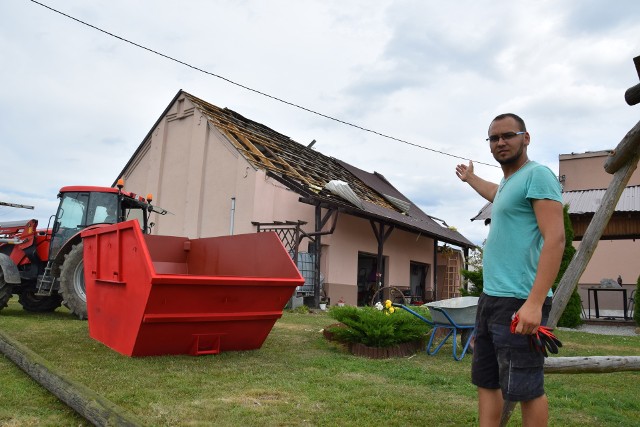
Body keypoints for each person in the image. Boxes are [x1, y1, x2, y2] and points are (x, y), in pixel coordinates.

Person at [455, 113, 565, 426]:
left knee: (527, 389)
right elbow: (496, 194)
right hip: (491, 299)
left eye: (508, 135)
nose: (500, 142)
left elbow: (555, 239)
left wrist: (533, 303)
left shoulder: (537, 175)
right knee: (487, 382)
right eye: (494, 138)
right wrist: (471, 179)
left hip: (520, 301)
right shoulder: (508, 184)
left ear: (525, 138)